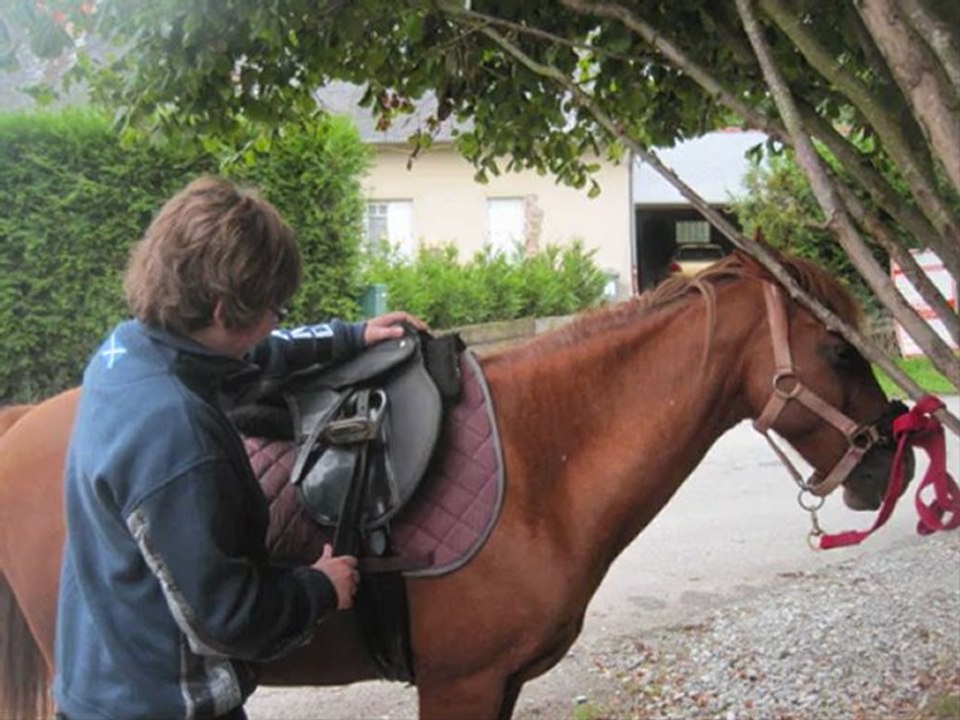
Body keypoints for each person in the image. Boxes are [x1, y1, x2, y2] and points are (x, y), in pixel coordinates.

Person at [53, 175, 426, 720]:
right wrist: (320, 589)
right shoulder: (176, 435)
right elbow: (229, 619)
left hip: (102, 678)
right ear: (224, 310)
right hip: (164, 707)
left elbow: (250, 355)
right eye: (276, 307)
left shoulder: (126, 350)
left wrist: (350, 336)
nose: (278, 318)